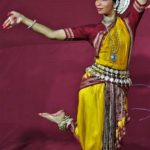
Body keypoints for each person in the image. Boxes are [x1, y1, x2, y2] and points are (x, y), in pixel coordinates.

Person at [2, 0, 150, 149]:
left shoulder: (128, 23)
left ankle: (64, 121)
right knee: (95, 140)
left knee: (111, 138)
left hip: (118, 89)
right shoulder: (92, 30)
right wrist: (23, 19)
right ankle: (64, 121)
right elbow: (52, 34)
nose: (97, 3)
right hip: (93, 89)